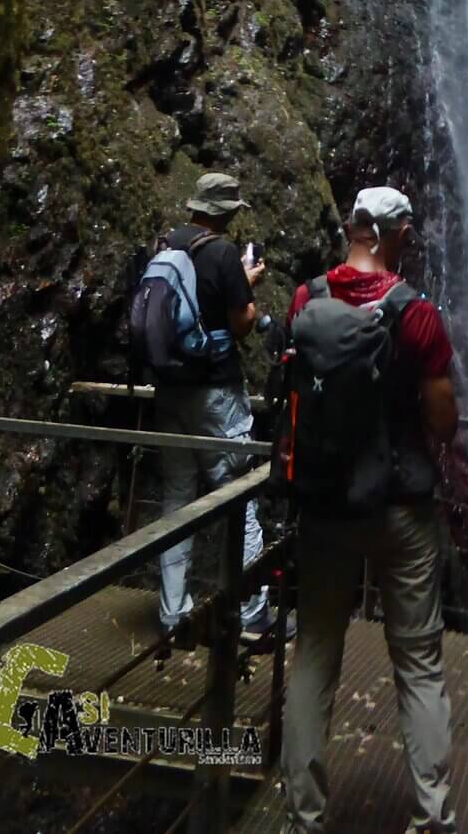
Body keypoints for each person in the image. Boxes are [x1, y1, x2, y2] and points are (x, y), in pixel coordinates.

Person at [281, 187, 459, 834]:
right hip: (402, 507)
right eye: (407, 228)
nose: (412, 236)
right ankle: (433, 815)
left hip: (326, 502)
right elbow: (443, 421)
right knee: (418, 663)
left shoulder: (308, 299)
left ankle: (304, 815)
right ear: (387, 233)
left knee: (314, 654)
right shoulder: (417, 316)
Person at [155, 171, 272, 642]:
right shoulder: (222, 252)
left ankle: (172, 612)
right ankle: (250, 613)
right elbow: (241, 323)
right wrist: (246, 283)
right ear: (225, 213)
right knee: (238, 499)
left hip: (169, 389)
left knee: (177, 499)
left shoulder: (164, 246)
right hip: (216, 393)